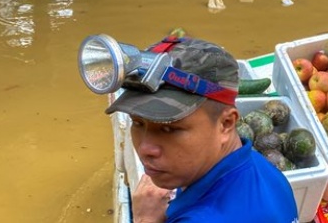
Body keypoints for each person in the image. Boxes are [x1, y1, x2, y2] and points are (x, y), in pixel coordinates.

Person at [105, 37, 299, 223]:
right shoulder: (259, 166)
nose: (146, 148)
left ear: (226, 124)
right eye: (137, 123)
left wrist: (144, 219)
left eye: (169, 128)